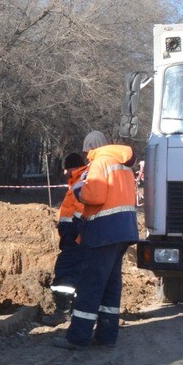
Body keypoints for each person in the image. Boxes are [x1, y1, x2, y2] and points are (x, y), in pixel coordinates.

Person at [53, 133, 139, 350]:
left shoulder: (100, 163)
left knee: (91, 286)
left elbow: (95, 196)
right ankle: (107, 336)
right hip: (124, 231)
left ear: (91, 148)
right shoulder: (123, 165)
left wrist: (79, 187)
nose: (86, 157)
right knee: (111, 286)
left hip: (103, 232)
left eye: (86, 152)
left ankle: (77, 338)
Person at [45, 151, 88, 324]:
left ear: (73, 168)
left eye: (66, 168)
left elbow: (82, 211)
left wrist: (74, 233)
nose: (64, 172)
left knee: (65, 273)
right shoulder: (76, 182)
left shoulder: (81, 182)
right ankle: (73, 311)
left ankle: (62, 312)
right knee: (73, 273)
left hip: (74, 238)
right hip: (72, 236)